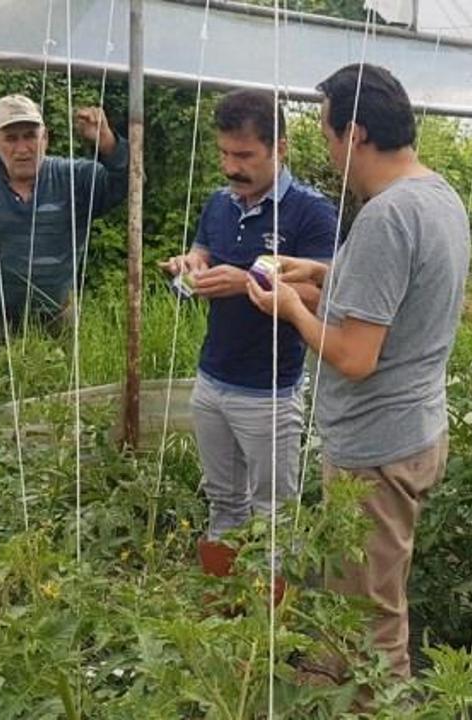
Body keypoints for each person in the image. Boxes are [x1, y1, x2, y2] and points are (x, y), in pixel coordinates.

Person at [246, 64, 470, 679]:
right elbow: (393, 308)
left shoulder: (385, 218)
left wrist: (291, 308)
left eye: (326, 132)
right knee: (354, 596)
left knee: (373, 615)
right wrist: (319, 277)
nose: (325, 145)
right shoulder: (436, 197)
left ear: (356, 134)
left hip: (376, 450)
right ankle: (326, 686)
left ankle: (376, 703)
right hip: (411, 430)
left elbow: (354, 355)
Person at [159, 90, 337, 592]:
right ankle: (224, 609)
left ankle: (274, 631)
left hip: (269, 391)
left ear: (280, 149)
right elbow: (200, 259)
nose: (231, 167)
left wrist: (248, 283)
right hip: (212, 378)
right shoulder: (218, 203)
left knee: (274, 513)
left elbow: (326, 295)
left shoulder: (310, 214)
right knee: (223, 502)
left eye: (244, 156)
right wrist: (186, 271)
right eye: (224, 153)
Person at [0, 93, 128, 366]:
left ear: (45, 137)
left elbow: (130, 183)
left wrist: (107, 143)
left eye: (30, 136)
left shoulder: (75, 179)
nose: (22, 148)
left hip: (53, 320)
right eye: (11, 138)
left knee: (57, 402)